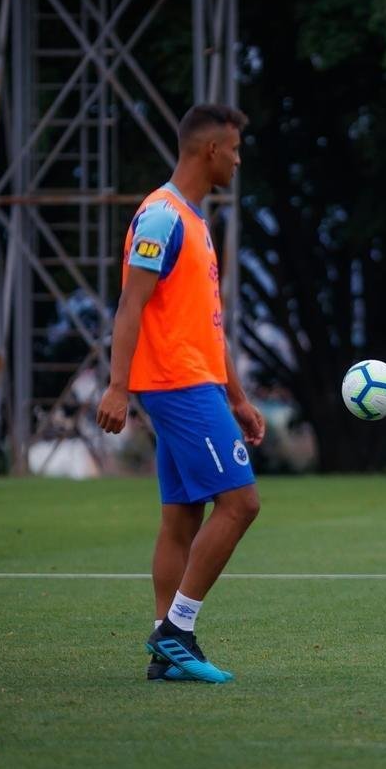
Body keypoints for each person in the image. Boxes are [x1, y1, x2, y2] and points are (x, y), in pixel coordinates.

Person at [96, 104, 264, 683]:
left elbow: (208, 324)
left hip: (197, 381)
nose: (240, 159)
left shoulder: (195, 221)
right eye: (235, 148)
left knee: (182, 516)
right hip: (175, 385)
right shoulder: (161, 218)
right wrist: (118, 387)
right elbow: (130, 305)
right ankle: (177, 630)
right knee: (241, 503)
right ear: (211, 150)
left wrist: (238, 398)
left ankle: (163, 654)